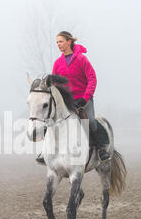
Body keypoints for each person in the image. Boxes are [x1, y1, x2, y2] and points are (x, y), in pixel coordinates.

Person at [36, 31, 111, 164]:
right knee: (50, 121)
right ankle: (45, 151)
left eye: (61, 41)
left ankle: (101, 149)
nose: (59, 44)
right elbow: (54, 85)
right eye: (57, 42)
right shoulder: (57, 63)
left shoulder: (82, 59)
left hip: (83, 99)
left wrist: (85, 98)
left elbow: (92, 79)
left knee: (91, 122)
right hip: (65, 102)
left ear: (69, 41)